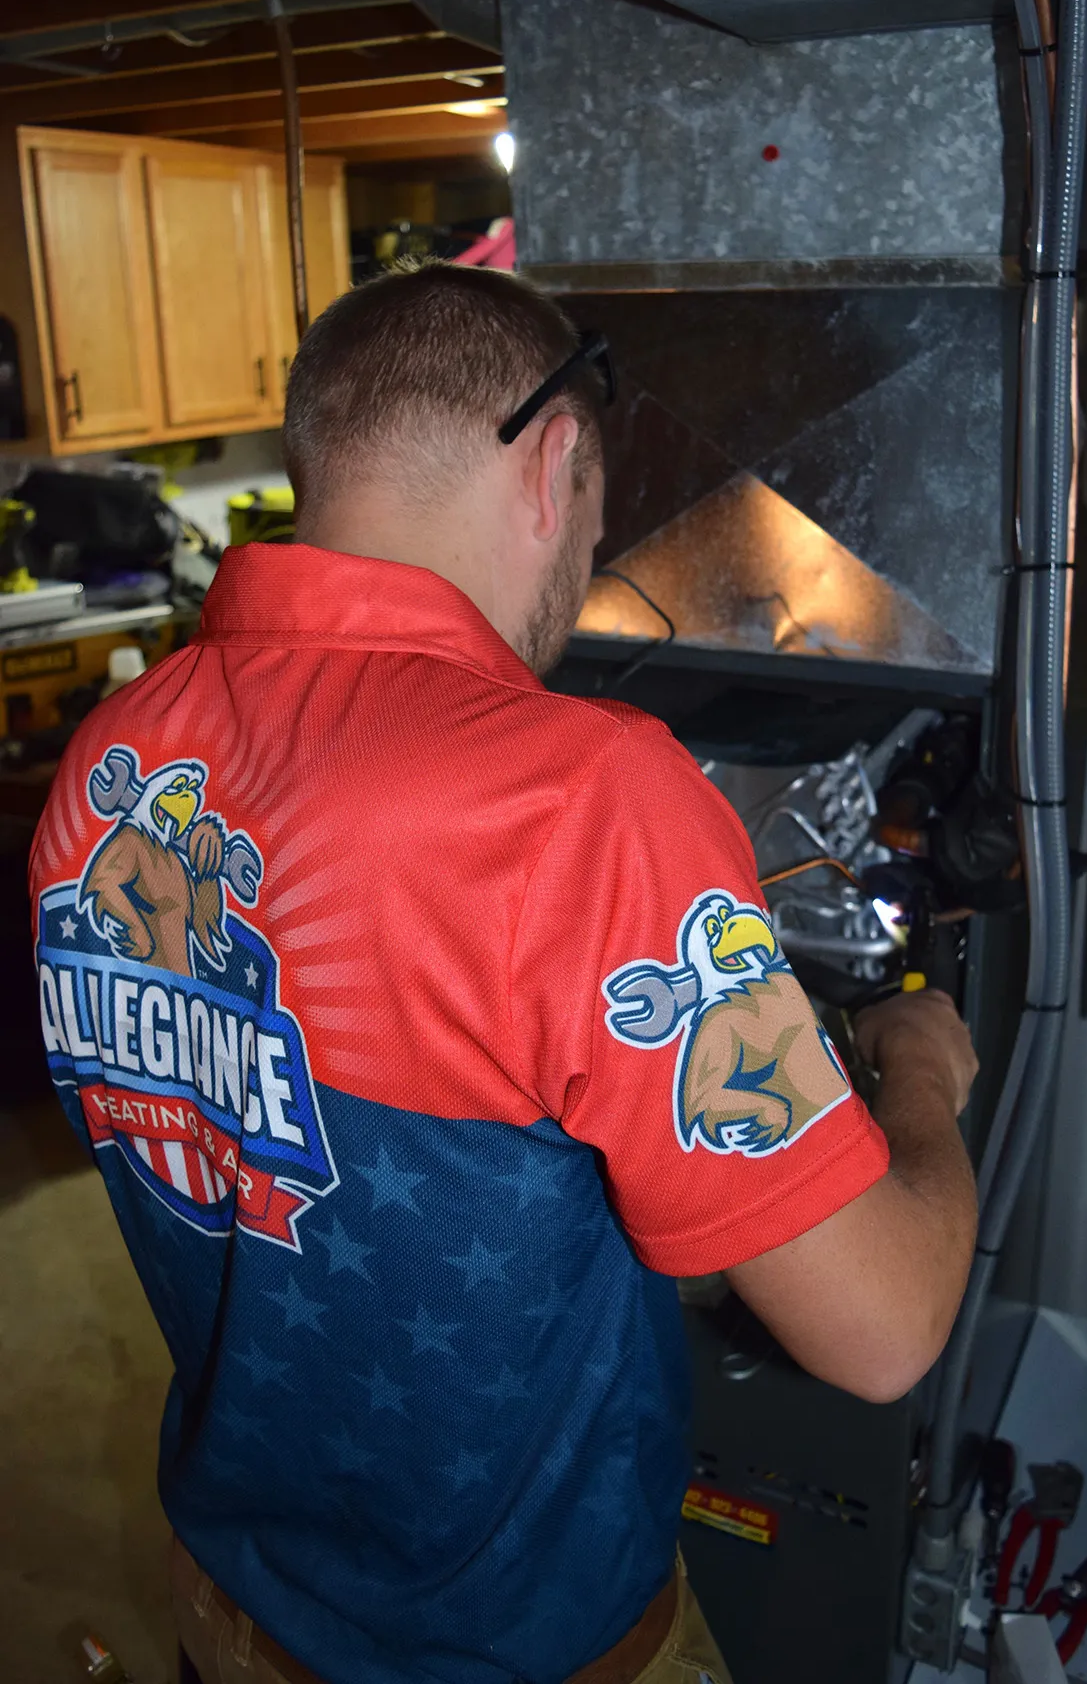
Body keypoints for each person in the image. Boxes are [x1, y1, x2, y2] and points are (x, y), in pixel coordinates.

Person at [29, 260, 978, 1684]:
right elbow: (887, 1329)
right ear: (552, 461)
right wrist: (920, 1078)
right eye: (594, 522)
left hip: (232, 1600)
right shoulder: (584, 798)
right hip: (518, 1650)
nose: (583, 569)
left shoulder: (109, 764)